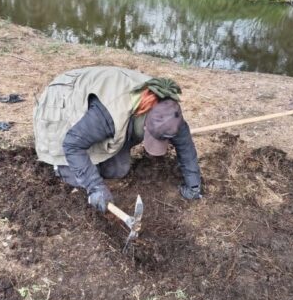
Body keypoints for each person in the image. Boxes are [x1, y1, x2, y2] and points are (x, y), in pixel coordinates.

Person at [33, 66, 202, 212]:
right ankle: (59, 167)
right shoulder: (108, 114)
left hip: (100, 117)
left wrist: (193, 186)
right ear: (142, 120)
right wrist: (95, 187)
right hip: (63, 102)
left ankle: (93, 156)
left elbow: (185, 146)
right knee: (79, 177)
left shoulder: (170, 113)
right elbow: (71, 143)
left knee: (118, 170)